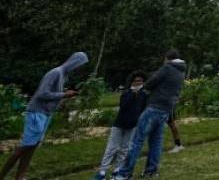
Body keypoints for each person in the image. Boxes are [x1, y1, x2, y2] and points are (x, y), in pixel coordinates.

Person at [1, 52, 88, 180]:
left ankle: (20, 176)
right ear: (73, 62)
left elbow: (53, 95)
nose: (79, 69)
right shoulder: (55, 73)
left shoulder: (64, 76)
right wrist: (64, 95)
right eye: (79, 65)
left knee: (32, 146)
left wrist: (64, 99)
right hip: (36, 112)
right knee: (26, 146)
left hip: (46, 113)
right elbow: (42, 94)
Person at [112, 49, 186, 179]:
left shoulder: (168, 67)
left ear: (167, 58)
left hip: (154, 108)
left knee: (137, 141)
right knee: (156, 142)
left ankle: (124, 174)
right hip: (166, 110)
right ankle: (151, 172)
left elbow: (152, 82)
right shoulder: (181, 71)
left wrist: (143, 88)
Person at [94, 72, 149, 179]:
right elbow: (123, 106)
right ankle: (102, 171)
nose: (138, 83)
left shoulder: (144, 95)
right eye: (136, 81)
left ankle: (117, 169)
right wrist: (133, 94)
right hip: (119, 123)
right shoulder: (126, 93)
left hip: (133, 125)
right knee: (111, 148)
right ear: (132, 82)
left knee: (124, 149)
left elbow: (143, 109)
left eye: (140, 81)